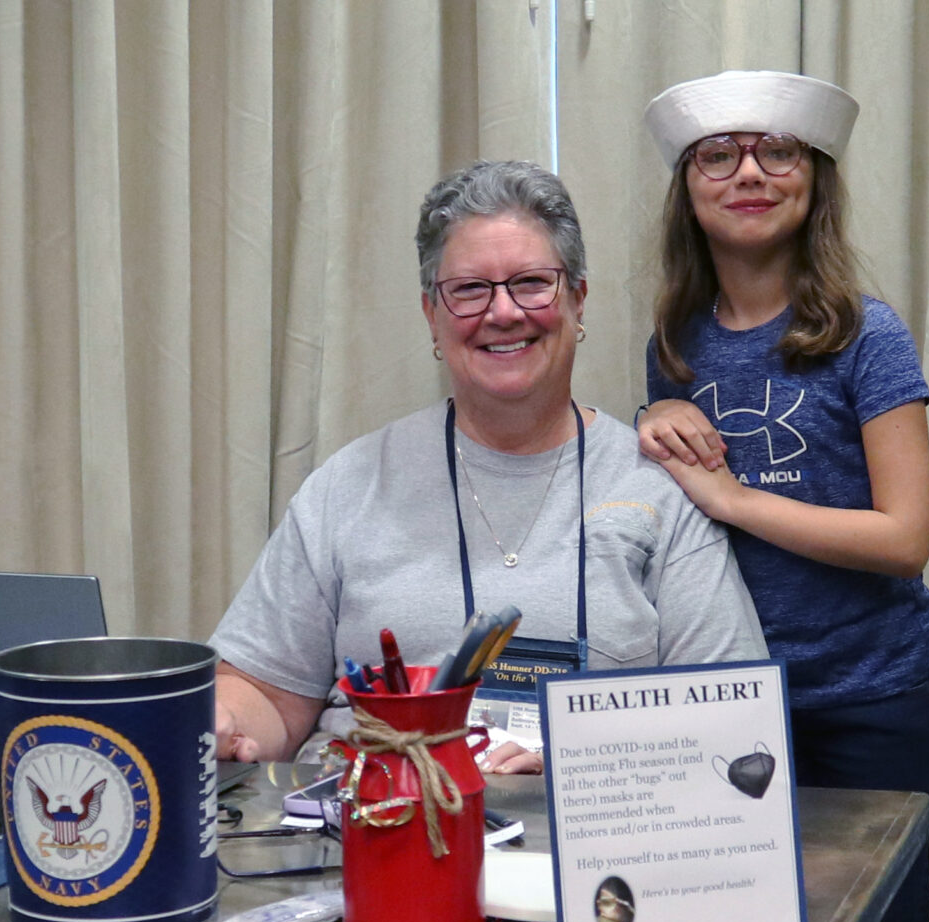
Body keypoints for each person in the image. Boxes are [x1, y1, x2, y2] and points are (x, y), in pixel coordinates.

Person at [212, 158, 767, 776]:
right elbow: (264, 695)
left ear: (578, 300)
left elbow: (732, 723)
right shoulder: (349, 486)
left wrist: (581, 770)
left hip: (590, 847)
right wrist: (225, 717)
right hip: (371, 835)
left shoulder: (660, 488)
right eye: (470, 289)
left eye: (531, 283)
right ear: (432, 315)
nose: (503, 313)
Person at [639, 71, 929, 922]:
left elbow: (906, 539)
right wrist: (655, 415)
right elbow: (672, 511)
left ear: (814, 178)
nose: (750, 173)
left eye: (777, 151)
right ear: (688, 186)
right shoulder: (675, 342)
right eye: (718, 154)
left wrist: (733, 501)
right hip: (732, 703)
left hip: (871, 700)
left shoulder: (864, 333)